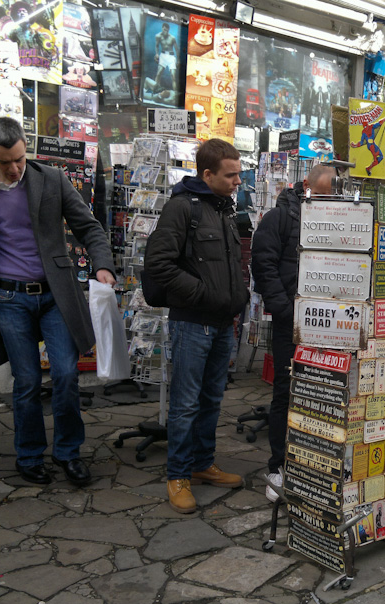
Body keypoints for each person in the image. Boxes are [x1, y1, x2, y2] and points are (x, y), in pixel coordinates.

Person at [0, 117, 116, 486]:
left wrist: (103, 265)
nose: (14, 169)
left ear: (25, 147)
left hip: (55, 293)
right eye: (4, 162)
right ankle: (28, 455)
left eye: (19, 159)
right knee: (26, 381)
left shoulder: (52, 178)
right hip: (8, 297)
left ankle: (68, 453)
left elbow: (88, 226)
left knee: (64, 375)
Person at [144, 139, 249, 513]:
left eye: (239, 173)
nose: (238, 180)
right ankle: (178, 475)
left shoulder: (223, 209)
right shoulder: (180, 208)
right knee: (186, 403)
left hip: (222, 324)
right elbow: (159, 263)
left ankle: (202, 464)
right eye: (231, 174)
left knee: (212, 400)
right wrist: (204, 294)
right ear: (207, 175)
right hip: (193, 324)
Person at [250, 164, 335, 502]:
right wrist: (285, 309)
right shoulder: (280, 218)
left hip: (328, 323)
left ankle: (313, 464)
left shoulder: (340, 217)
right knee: (286, 391)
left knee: (322, 392)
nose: (329, 199)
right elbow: (263, 264)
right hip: (292, 322)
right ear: (306, 185)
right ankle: (278, 466)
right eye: (323, 192)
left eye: (333, 194)